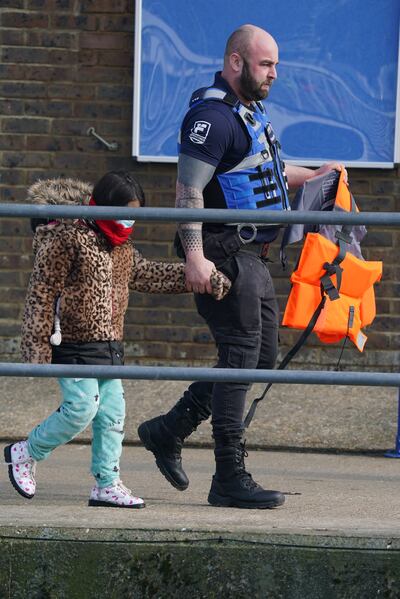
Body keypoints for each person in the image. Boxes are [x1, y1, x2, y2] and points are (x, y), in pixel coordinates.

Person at [138, 24, 347, 509]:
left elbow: (267, 171)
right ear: (236, 61)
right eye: (266, 64)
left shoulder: (248, 111)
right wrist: (194, 255)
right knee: (239, 356)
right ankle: (228, 475)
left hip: (254, 256)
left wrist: (314, 175)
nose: (275, 73)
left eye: (275, 64)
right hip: (224, 252)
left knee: (261, 356)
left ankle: (168, 430)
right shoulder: (210, 117)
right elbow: (188, 191)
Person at [4, 171, 230, 509]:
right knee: (81, 407)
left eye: (136, 212)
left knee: (112, 417)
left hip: (109, 345)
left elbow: (146, 273)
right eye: (125, 210)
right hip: (73, 342)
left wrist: (198, 277)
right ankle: (24, 452)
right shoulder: (67, 237)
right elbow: (41, 291)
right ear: (104, 205)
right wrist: (36, 348)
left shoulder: (121, 245)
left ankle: (106, 484)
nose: (129, 220)